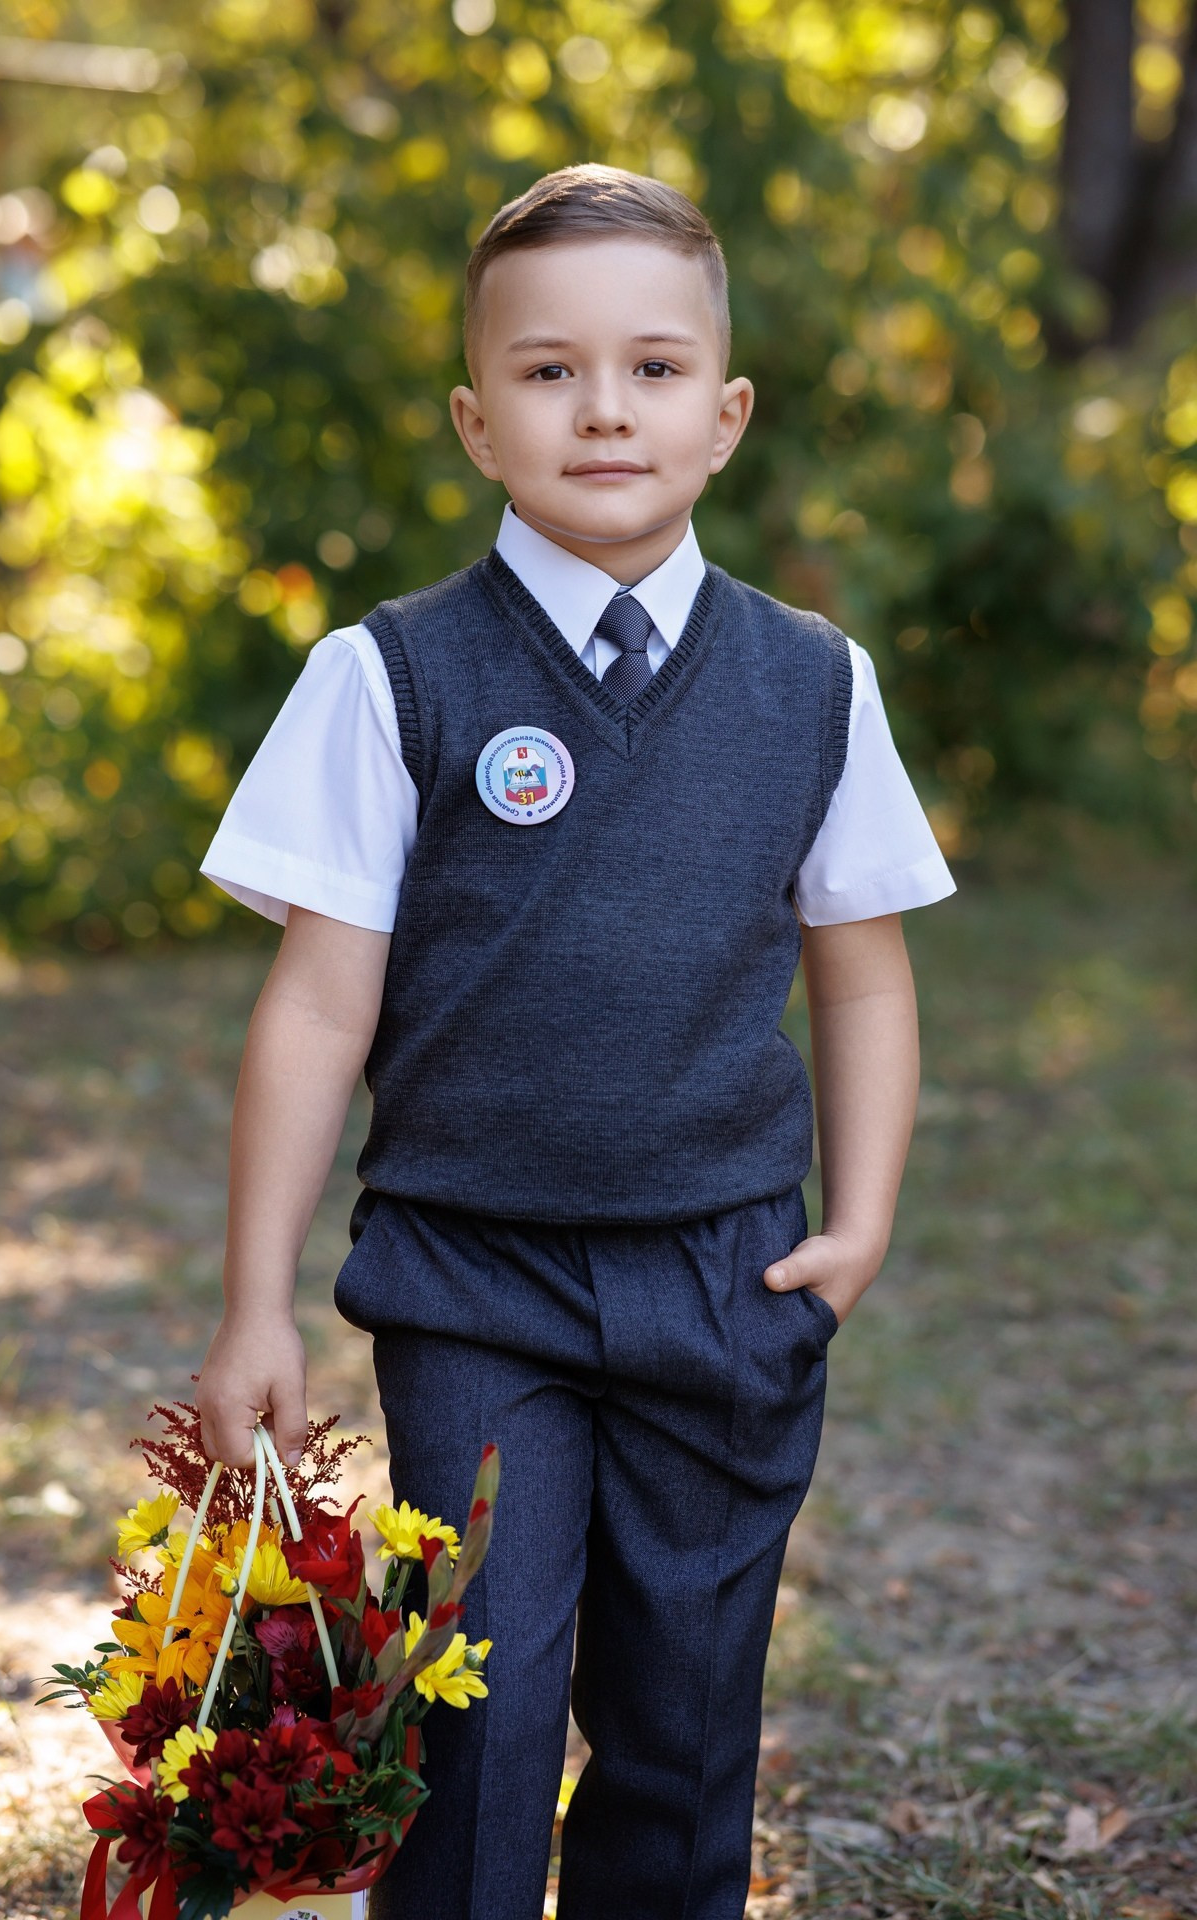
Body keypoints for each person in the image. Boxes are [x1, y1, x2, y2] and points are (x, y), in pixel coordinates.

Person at [195, 163, 955, 1920]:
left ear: (727, 412)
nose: (603, 406)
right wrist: (254, 1302)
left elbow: (863, 972)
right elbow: (317, 1000)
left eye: (653, 368)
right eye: (547, 372)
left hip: (728, 1276)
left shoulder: (815, 683)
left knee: (687, 1727)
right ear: (476, 419)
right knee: (476, 1712)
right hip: (475, 1278)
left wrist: (862, 1220)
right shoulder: (391, 678)